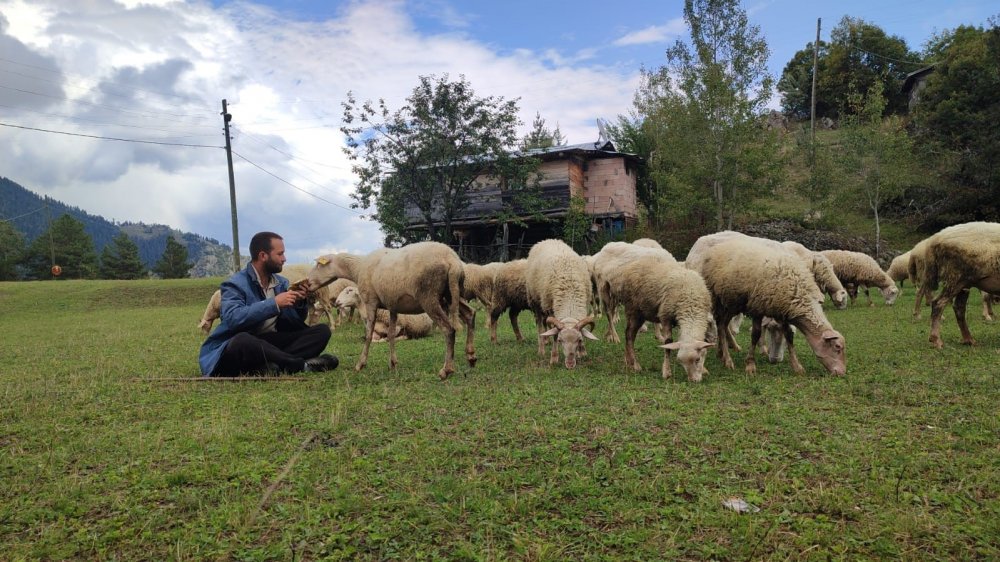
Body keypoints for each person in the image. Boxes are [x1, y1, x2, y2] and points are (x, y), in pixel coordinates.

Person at [199, 231, 339, 376]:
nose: (284, 259)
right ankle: (300, 365)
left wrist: (298, 302)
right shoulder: (235, 284)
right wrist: (274, 304)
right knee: (243, 341)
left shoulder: (280, 283)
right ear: (263, 256)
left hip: (269, 342)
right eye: (280, 254)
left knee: (321, 331)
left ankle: (267, 366)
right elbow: (233, 319)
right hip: (239, 346)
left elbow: (292, 323)